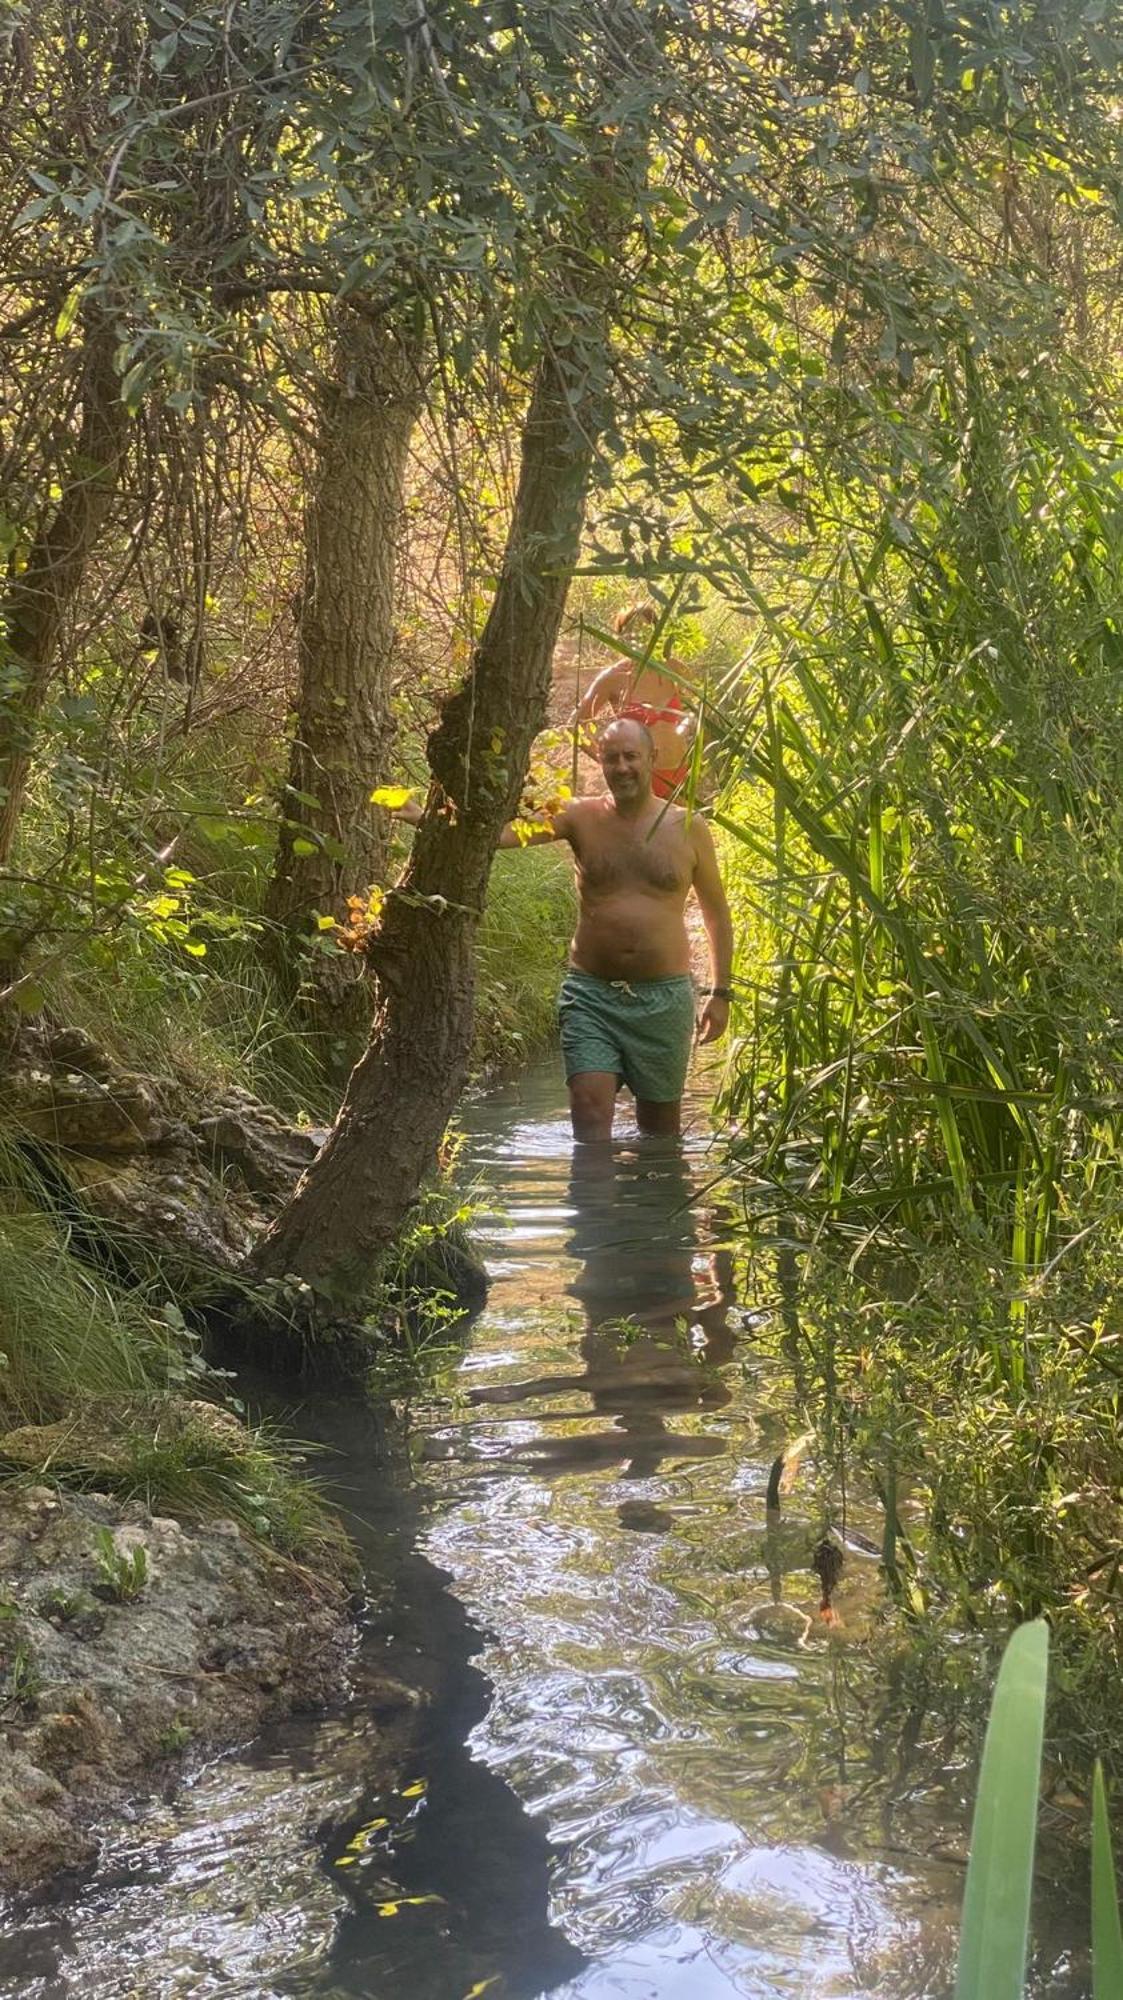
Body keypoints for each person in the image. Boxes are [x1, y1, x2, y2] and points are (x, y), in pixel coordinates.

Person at [499, 714, 734, 1141]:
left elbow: (716, 912)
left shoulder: (688, 827)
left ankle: (647, 1208)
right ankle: (593, 1206)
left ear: (652, 758)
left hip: (664, 998)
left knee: (660, 1133)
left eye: (631, 757)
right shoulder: (577, 817)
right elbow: (504, 835)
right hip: (591, 995)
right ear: (601, 763)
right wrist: (427, 816)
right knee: (588, 1115)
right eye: (612, 759)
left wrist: (720, 993)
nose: (621, 767)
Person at [572, 604, 699, 801]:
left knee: (681, 830)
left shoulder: (674, 669)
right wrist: (611, 761)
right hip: (640, 779)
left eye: (645, 630)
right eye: (631, 631)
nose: (638, 637)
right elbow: (575, 726)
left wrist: (689, 735)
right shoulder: (614, 677)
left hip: (680, 773)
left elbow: (699, 710)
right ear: (621, 636)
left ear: (657, 632)